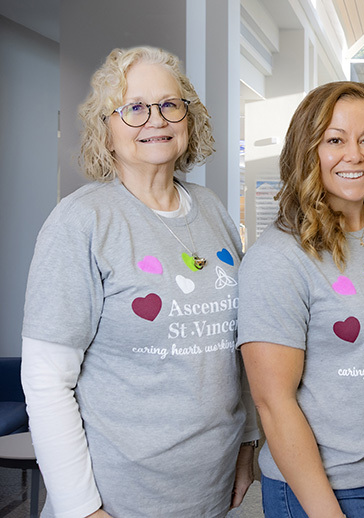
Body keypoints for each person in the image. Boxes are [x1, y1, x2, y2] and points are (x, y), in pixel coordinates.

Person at [20, 46, 259, 517]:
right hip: (118, 498)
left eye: (171, 104)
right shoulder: (82, 222)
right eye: (134, 108)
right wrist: (80, 507)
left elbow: (241, 345)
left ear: (188, 120)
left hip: (209, 488)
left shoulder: (213, 210)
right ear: (106, 131)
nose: (157, 119)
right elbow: (47, 380)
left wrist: (247, 445)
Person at [237, 81, 364, 518]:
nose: (355, 155)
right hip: (324, 490)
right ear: (308, 150)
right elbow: (274, 402)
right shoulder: (277, 259)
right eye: (335, 140)